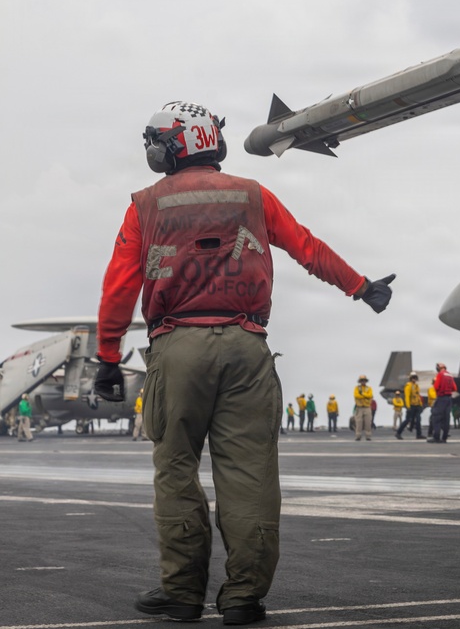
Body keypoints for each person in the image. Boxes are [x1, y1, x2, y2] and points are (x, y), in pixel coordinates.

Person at [93, 101, 394, 624]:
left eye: (155, 141)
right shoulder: (252, 195)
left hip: (177, 347)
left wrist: (107, 355)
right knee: (250, 474)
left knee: (176, 469)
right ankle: (242, 597)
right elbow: (306, 247)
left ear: (173, 145)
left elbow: (120, 284)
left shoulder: (145, 204)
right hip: (247, 346)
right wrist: (360, 286)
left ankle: (183, 593)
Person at [430, 363, 457, 443]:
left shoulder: (440, 375)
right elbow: (455, 388)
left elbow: (436, 386)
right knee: (446, 419)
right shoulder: (450, 375)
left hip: (441, 398)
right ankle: (444, 438)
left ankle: (436, 437)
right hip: (448, 399)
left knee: (437, 418)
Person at [395, 373, 424, 439]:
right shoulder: (408, 386)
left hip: (417, 405)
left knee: (418, 420)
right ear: (410, 378)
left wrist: (420, 404)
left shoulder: (416, 386)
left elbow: (418, 396)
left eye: (415, 377)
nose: (414, 379)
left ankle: (419, 434)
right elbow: (407, 397)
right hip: (411, 406)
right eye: (413, 377)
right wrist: (408, 406)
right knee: (408, 420)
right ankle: (398, 433)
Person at [353, 375, 373, 441]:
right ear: (360, 381)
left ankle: (368, 436)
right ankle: (358, 436)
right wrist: (365, 396)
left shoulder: (369, 388)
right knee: (359, 423)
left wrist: (362, 394)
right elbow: (356, 395)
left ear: (366, 381)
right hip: (359, 407)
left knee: (368, 422)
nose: (363, 381)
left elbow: (370, 395)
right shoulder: (356, 388)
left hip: (367, 407)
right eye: (361, 380)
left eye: (364, 380)